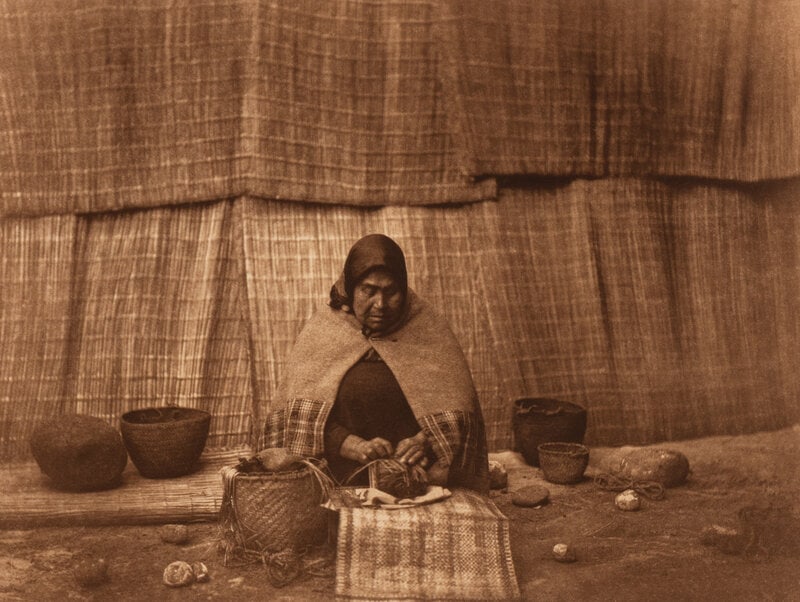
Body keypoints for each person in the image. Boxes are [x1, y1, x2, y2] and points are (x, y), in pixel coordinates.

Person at [265, 234, 489, 493]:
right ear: (351, 289)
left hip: (416, 477)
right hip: (338, 478)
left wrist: (424, 440)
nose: (380, 304)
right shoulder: (324, 330)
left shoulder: (427, 327)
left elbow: (458, 408)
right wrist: (353, 445)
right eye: (369, 291)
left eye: (391, 291)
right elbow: (300, 418)